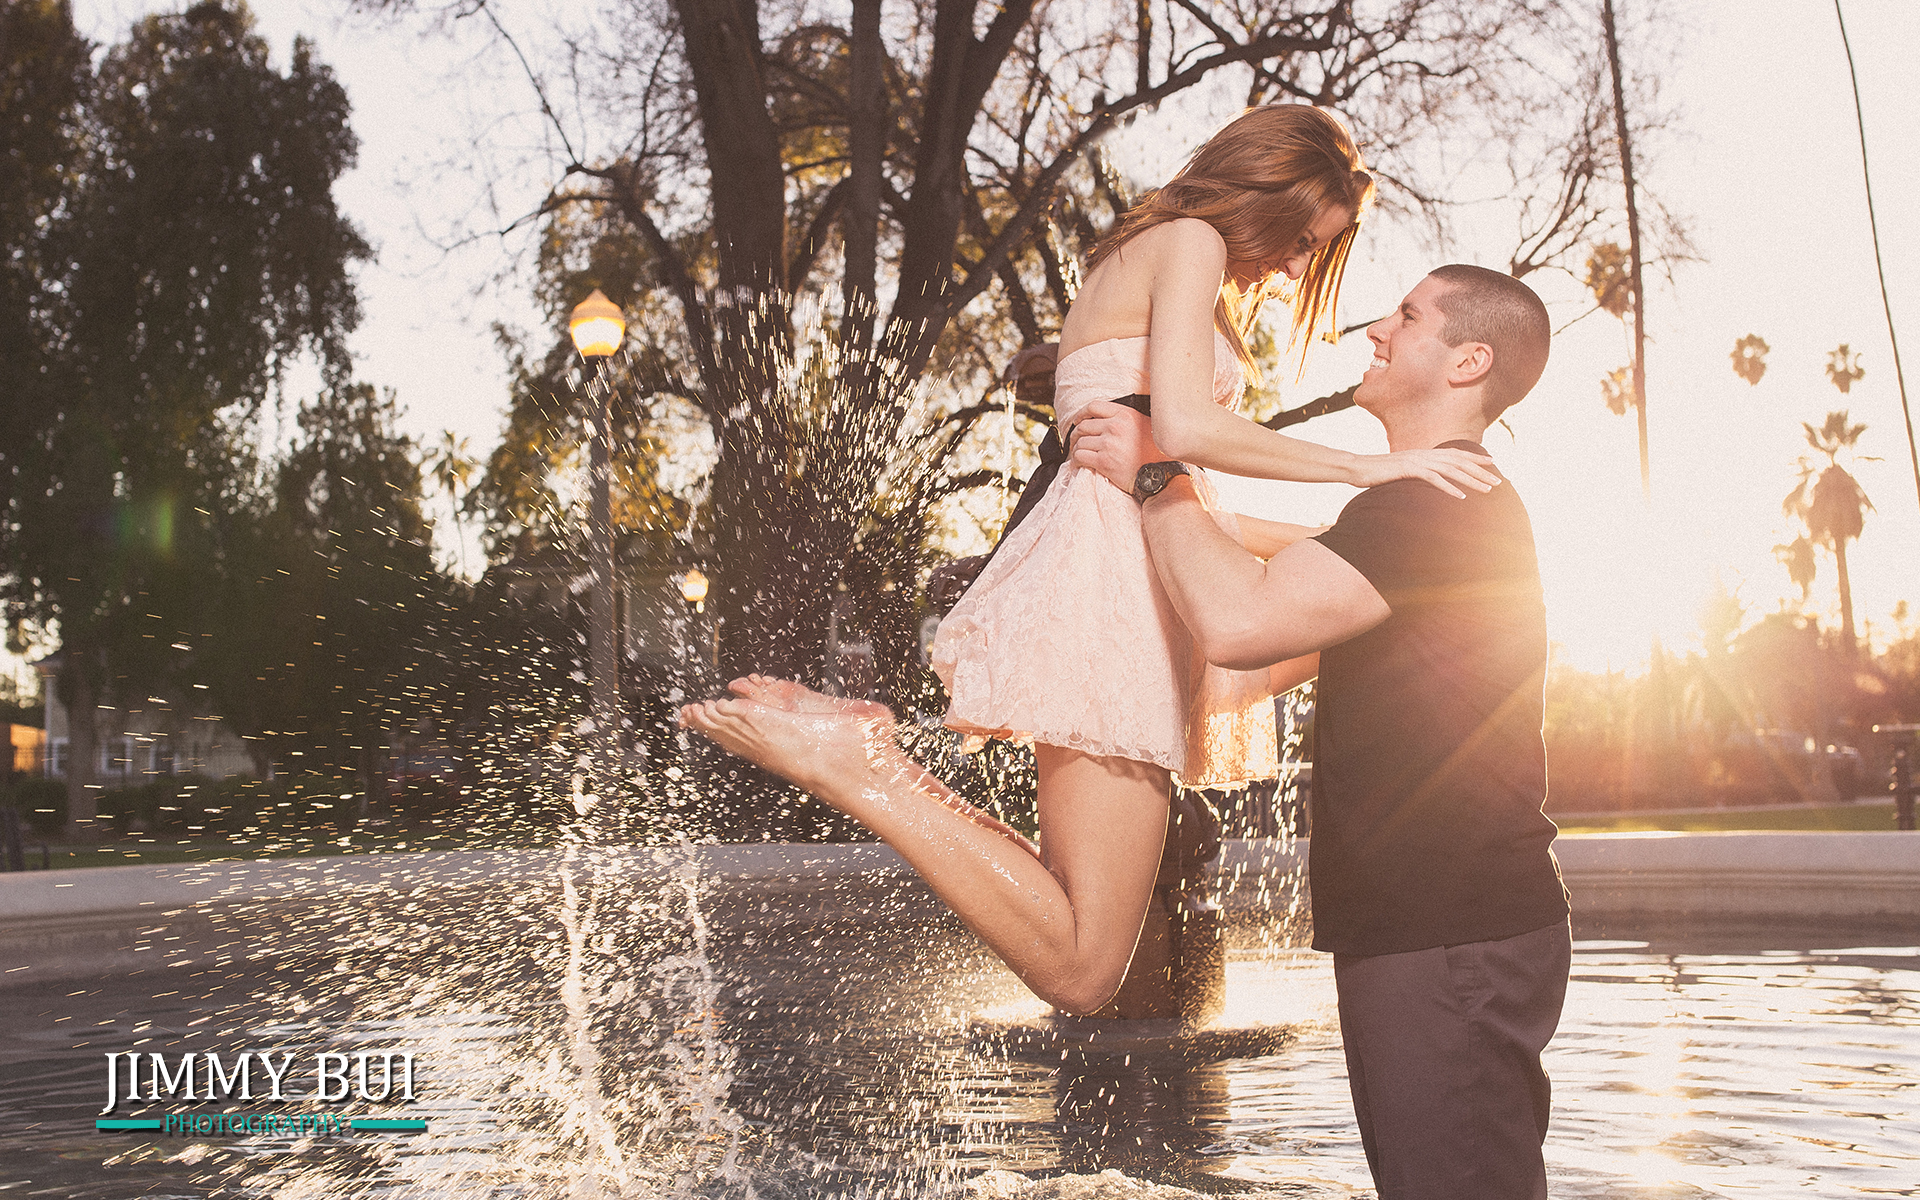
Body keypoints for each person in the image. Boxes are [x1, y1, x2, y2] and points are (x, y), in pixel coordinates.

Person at [677, 105, 1499, 1019]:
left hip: (1130, 563)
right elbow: (1184, 432)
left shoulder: (1163, 255)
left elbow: (1183, 478)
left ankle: (863, 759)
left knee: (1348, 637)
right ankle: (857, 764)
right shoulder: (1186, 239)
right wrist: (1375, 468)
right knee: (1081, 965)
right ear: (1256, 190)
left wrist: (1362, 544)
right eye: (1302, 239)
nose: (1300, 267)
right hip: (1113, 586)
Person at [1070, 263, 1571, 1199]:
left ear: (1469, 361)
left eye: (1408, 316)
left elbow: (1240, 623)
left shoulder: (1433, 507)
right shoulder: (1411, 514)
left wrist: (1155, 471)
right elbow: (1236, 680)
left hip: (1449, 931)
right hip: (1422, 931)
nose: (1375, 328)